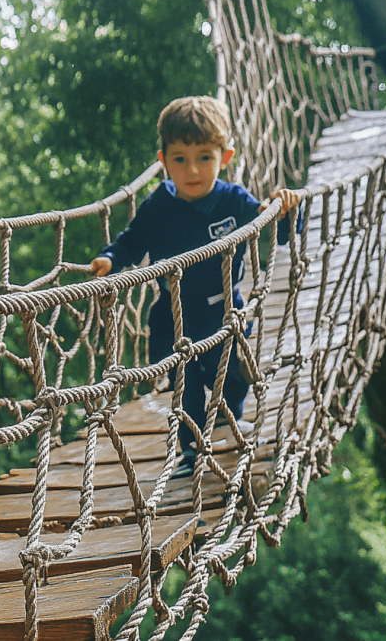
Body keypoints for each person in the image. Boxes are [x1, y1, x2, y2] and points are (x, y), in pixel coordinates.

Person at [89, 96, 302, 479]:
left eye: (205, 157)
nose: (192, 170)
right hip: (174, 318)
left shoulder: (233, 200)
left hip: (226, 314)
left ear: (226, 156)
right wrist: (110, 259)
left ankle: (229, 417)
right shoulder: (158, 206)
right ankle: (190, 451)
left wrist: (284, 209)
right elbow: (131, 241)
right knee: (185, 387)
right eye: (180, 159)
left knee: (234, 373)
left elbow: (277, 233)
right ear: (163, 160)